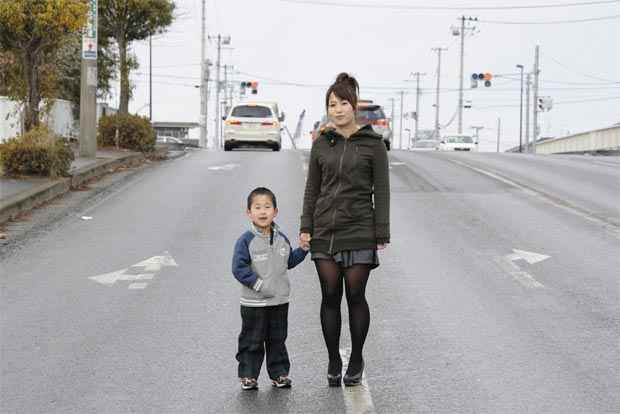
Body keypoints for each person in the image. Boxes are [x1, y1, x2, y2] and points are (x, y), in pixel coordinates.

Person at [299, 73, 390, 387]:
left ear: (354, 106)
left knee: (355, 295)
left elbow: (383, 190)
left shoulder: (373, 144)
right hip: (325, 229)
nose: (337, 110)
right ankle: (333, 359)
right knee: (329, 295)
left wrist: (381, 231)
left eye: (342, 104)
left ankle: (356, 358)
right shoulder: (322, 144)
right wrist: (306, 226)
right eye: (331, 104)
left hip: (360, 227)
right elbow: (312, 188)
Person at [232, 187, 309, 390]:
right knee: (252, 340)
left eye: (267, 207)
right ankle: (248, 375)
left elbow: (288, 261)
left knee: (278, 339)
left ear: (275, 211)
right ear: (249, 212)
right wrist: (259, 285)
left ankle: (279, 374)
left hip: (279, 301)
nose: (263, 211)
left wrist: (303, 250)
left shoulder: (281, 238)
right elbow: (238, 269)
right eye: (257, 207)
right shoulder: (245, 240)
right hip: (254, 302)